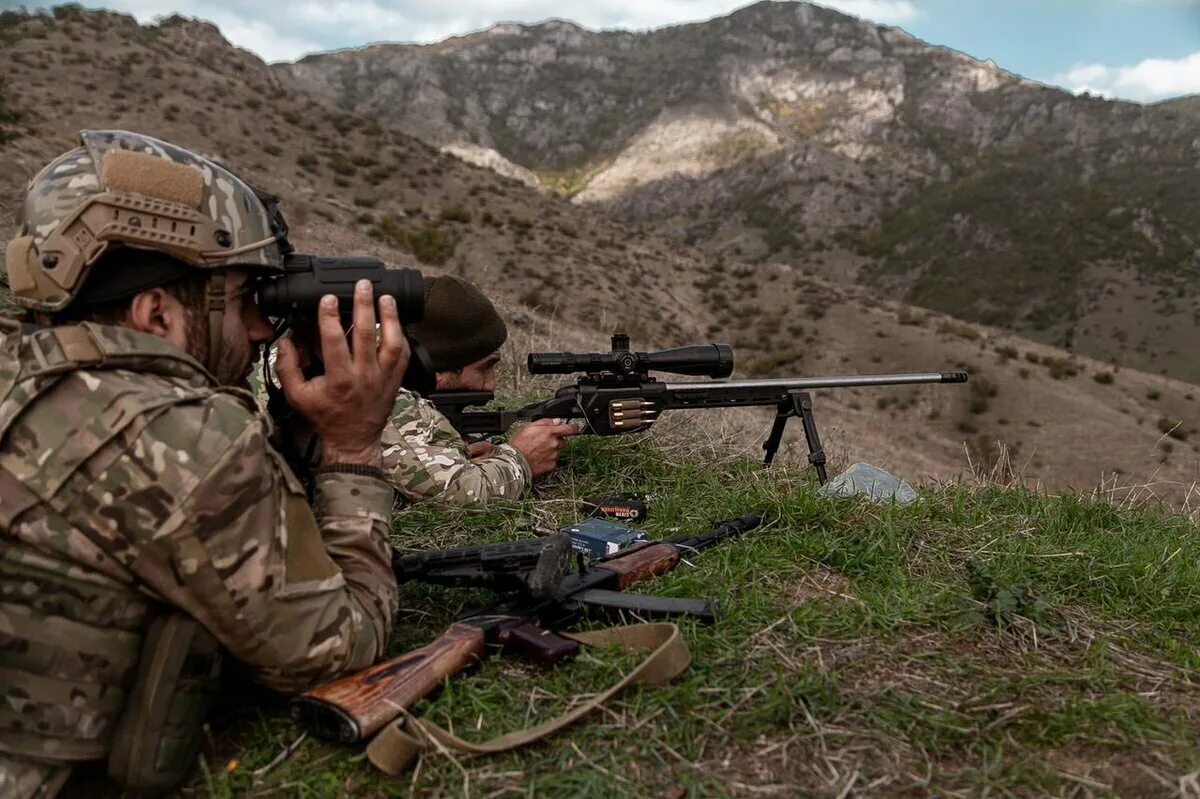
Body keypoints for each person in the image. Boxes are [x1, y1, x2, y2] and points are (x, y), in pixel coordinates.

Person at [0, 130, 407, 798]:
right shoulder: (182, 442)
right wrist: (352, 447)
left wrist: (290, 434)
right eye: (246, 299)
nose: (257, 330)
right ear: (156, 312)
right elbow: (340, 645)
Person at [383, 275, 576, 506]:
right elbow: (461, 495)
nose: (490, 385)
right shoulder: (380, 393)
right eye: (484, 368)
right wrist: (521, 459)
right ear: (434, 372)